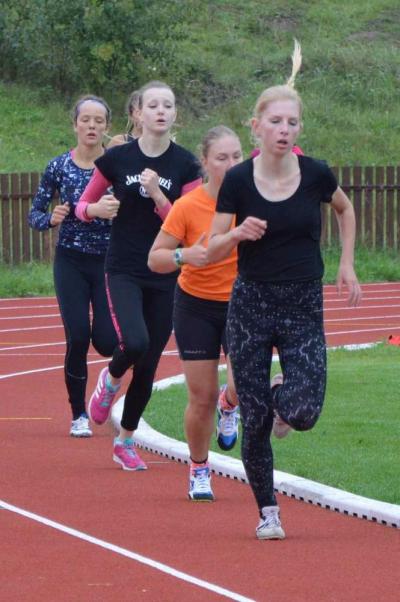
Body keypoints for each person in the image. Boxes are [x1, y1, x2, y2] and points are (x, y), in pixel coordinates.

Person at [207, 40, 362, 540]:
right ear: (256, 126)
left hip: (302, 303)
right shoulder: (236, 180)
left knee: (303, 410)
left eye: (291, 123)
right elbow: (211, 246)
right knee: (255, 421)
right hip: (251, 303)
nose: (284, 129)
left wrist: (346, 263)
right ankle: (267, 511)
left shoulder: (316, 172)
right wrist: (236, 234)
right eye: (275, 121)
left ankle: (271, 403)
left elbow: (344, 208)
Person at [76, 80, 202, 471]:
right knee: (134, 340)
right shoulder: (117, 160)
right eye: (153, 105)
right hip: (126, 267)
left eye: (168, 104)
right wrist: (95, 211)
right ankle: (110, 380)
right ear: (138, 114)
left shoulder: (185, 164)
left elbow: (190, 228)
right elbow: (82, 205)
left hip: (166, 270)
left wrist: (160, 197)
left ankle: (125, 439)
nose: (161, 111)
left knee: (148, 363)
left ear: (175, 114)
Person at [148, 125, 243, 501]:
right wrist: (184, 255)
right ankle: (199, 467)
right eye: (222, 158)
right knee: (200, 396)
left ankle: (229, 404)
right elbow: (155, 259)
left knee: (239, 387)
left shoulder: (254, 200)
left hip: (242, 305)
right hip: (196, 306)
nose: (231, 164)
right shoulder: (188, 207)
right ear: (204, 162)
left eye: (237, 156)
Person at [28, 95, 117, 438]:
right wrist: (50, 218)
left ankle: (105, 386)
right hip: (71, 262)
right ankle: (79, 413)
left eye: (99, 121)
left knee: (108, 343)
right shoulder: (58, 167)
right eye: (86, 120)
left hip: (110, 264)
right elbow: (34, 215)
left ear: (107, 127)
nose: (92, 126)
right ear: (75, 124)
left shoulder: (117, 165)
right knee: (77, 336)